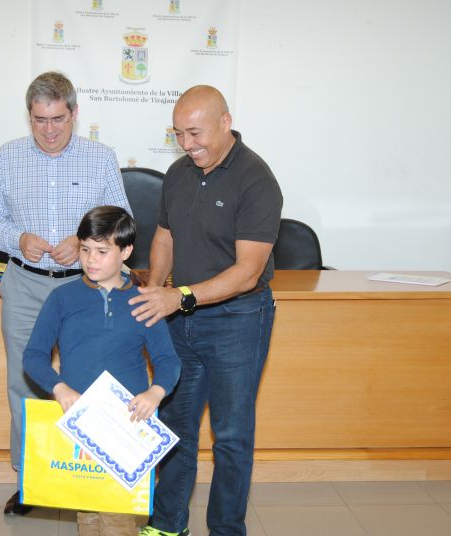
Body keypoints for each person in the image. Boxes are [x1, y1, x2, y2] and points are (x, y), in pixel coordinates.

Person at [0, 71, 132, 515]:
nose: (48, 130)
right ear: (29, 115)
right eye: (39, 120)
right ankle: (31, 482)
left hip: (86, 286)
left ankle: (98, 475)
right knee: (25, 382)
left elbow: (122, 218)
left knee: (92, 381)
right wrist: (17, 238)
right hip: (25, 283)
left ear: (75, 113)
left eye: (58, 119)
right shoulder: (7, 157)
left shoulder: (100, 157)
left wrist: (82, 242)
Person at [130, 85, 283, 536]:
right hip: (181, 320)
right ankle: (168, 525)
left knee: (231, 436)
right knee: (174, 426)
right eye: (178, 134)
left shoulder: (256, 180)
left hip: (238, 320)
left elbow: (248, 272)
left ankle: (226, 530)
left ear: (225, 122)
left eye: (195, 133)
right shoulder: (178, 173)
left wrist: (179, 296)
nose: (186, 144)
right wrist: (155, 290)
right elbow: (165, 236)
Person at [22, 205, 180, 536]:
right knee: (88, 515)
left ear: (126, 251)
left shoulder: (144, 301)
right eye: (85, 249)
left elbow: (168, 360)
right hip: (78, 425)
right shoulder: (62, 299)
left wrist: (155, 392)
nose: (91, 260)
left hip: (125, 426)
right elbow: (33, 356)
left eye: (102, 251)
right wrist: (59, 388)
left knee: (116, 520)